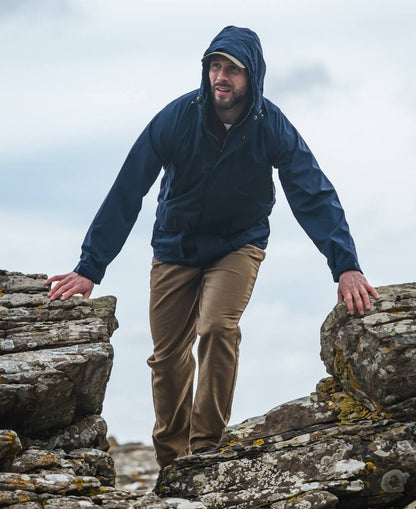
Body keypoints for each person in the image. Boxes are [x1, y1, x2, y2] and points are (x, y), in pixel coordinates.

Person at [46, 26, 379, 468]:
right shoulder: (178, 118)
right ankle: (171, 463)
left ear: (252, 76)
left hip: (237, 245)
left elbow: (312, 192)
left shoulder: (270, 125)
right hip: (175, 246)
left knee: (218, 327)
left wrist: (346, 266)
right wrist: (90, 266)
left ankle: (205, 451)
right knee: (167, 359)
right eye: (215, 67)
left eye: (233, 69)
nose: (221, 77)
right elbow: (129, 188)